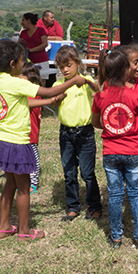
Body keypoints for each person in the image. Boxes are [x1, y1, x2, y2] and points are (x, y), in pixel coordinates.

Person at [0, 40, 91, 240]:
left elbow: (25, 101)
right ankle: (25, 232)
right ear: (12, 63)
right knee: (24, 188)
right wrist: (73, 81)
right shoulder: (16, 81)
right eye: (22, 59)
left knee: (10, 184)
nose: (24, 62)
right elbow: (49, 90)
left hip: (0, 139)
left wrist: (50, 102)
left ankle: (4, 227)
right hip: (17, 142)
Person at [92, 50, 138, 249]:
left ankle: (116, 237)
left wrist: (110, 127)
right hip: (133, 150)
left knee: (115, 195)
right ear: (126, 70)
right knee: (135, 194)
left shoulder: (100, 96)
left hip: (110, 151)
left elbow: (96, 122)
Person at [53, 46, 102, 222]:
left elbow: (98, 88)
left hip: (85, 133)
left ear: (78, 63)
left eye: (68, 65)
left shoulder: (85, 80)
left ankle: (94, 206)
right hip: (65, 133)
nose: (65, 70)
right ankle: (73, 206)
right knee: (69, 173)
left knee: (88, 173)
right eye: (61, 67)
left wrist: (87, 82)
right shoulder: (58, 85)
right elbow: (55, 103)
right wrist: (57, 100)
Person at [114, 44, 138, 227]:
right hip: (116, 142)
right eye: (135, 62)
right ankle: (120, 208)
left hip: (136, 141)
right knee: (117, 178)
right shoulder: (111, 87)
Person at [22, 62, 65, 194]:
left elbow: (27, 103)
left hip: (30, 135)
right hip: (23, 135)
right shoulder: (31, 92)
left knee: (32, 159)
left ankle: (33, 183)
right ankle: (24, 182)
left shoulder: (31, 94)